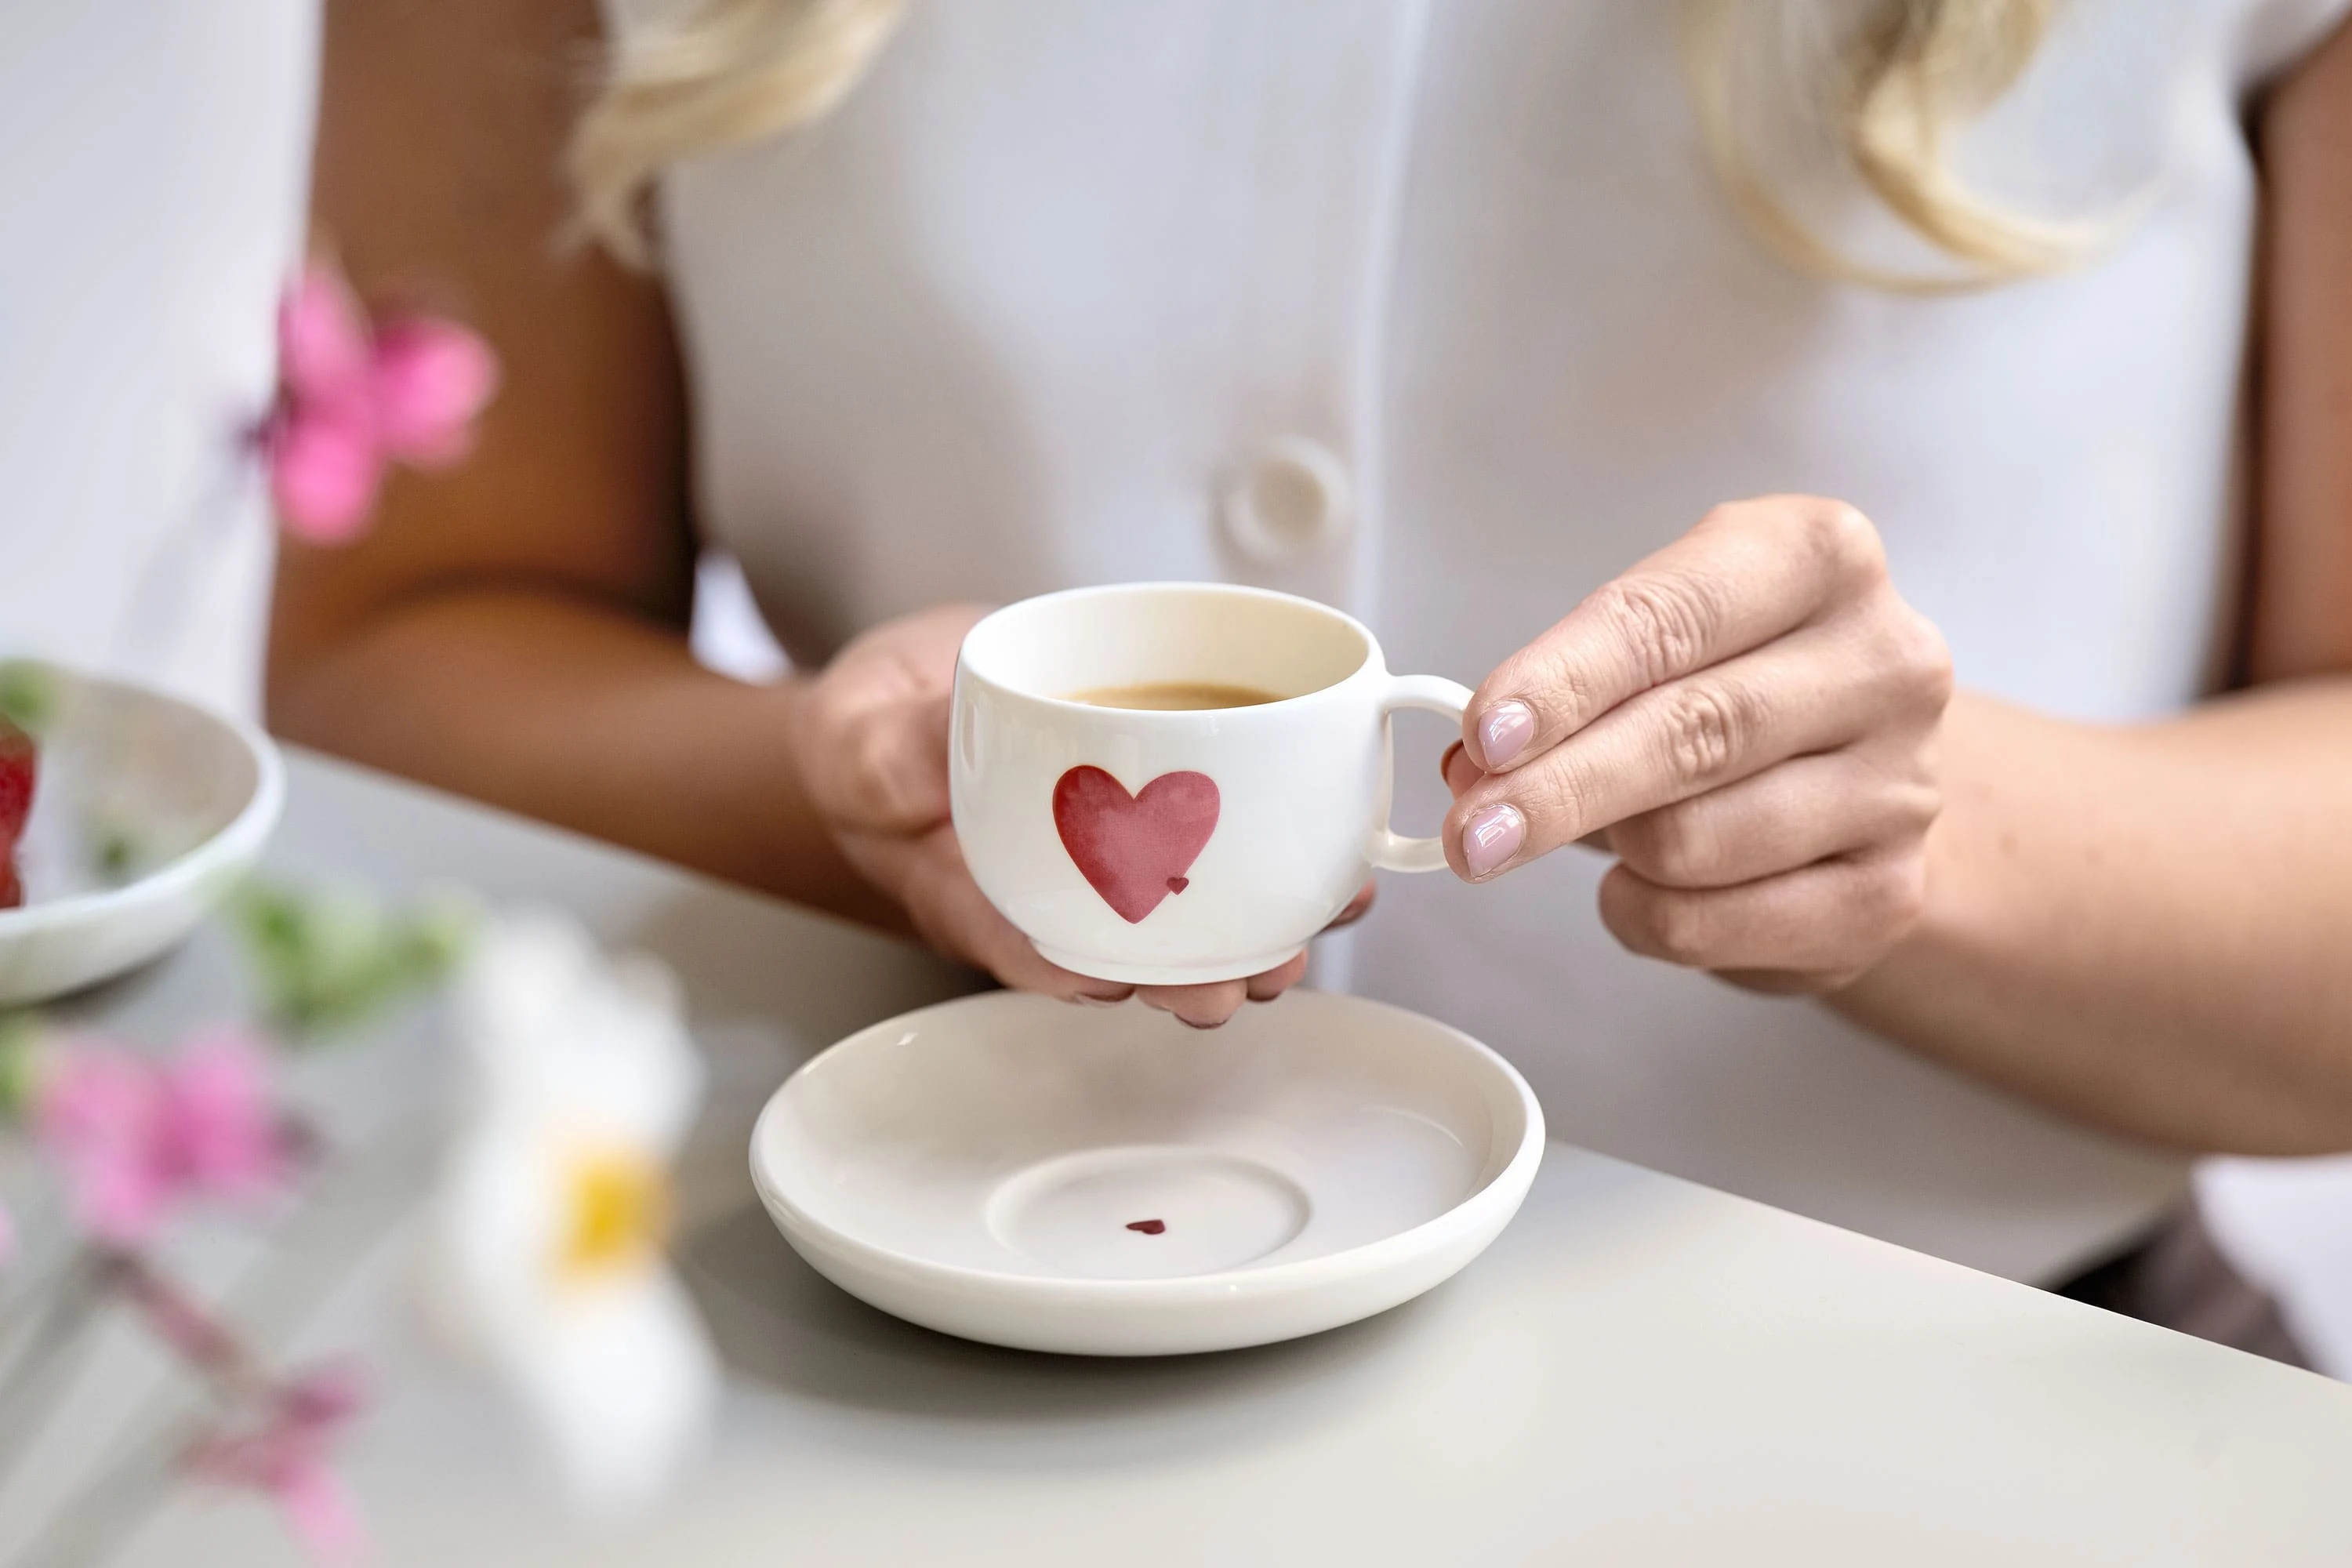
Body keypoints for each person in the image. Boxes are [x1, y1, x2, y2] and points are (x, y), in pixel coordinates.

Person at [270, 0, 2352, 1358]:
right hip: (893, 1363)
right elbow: (396, 655)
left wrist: (1913, 836)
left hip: (2003, 1408)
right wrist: (864, 796)